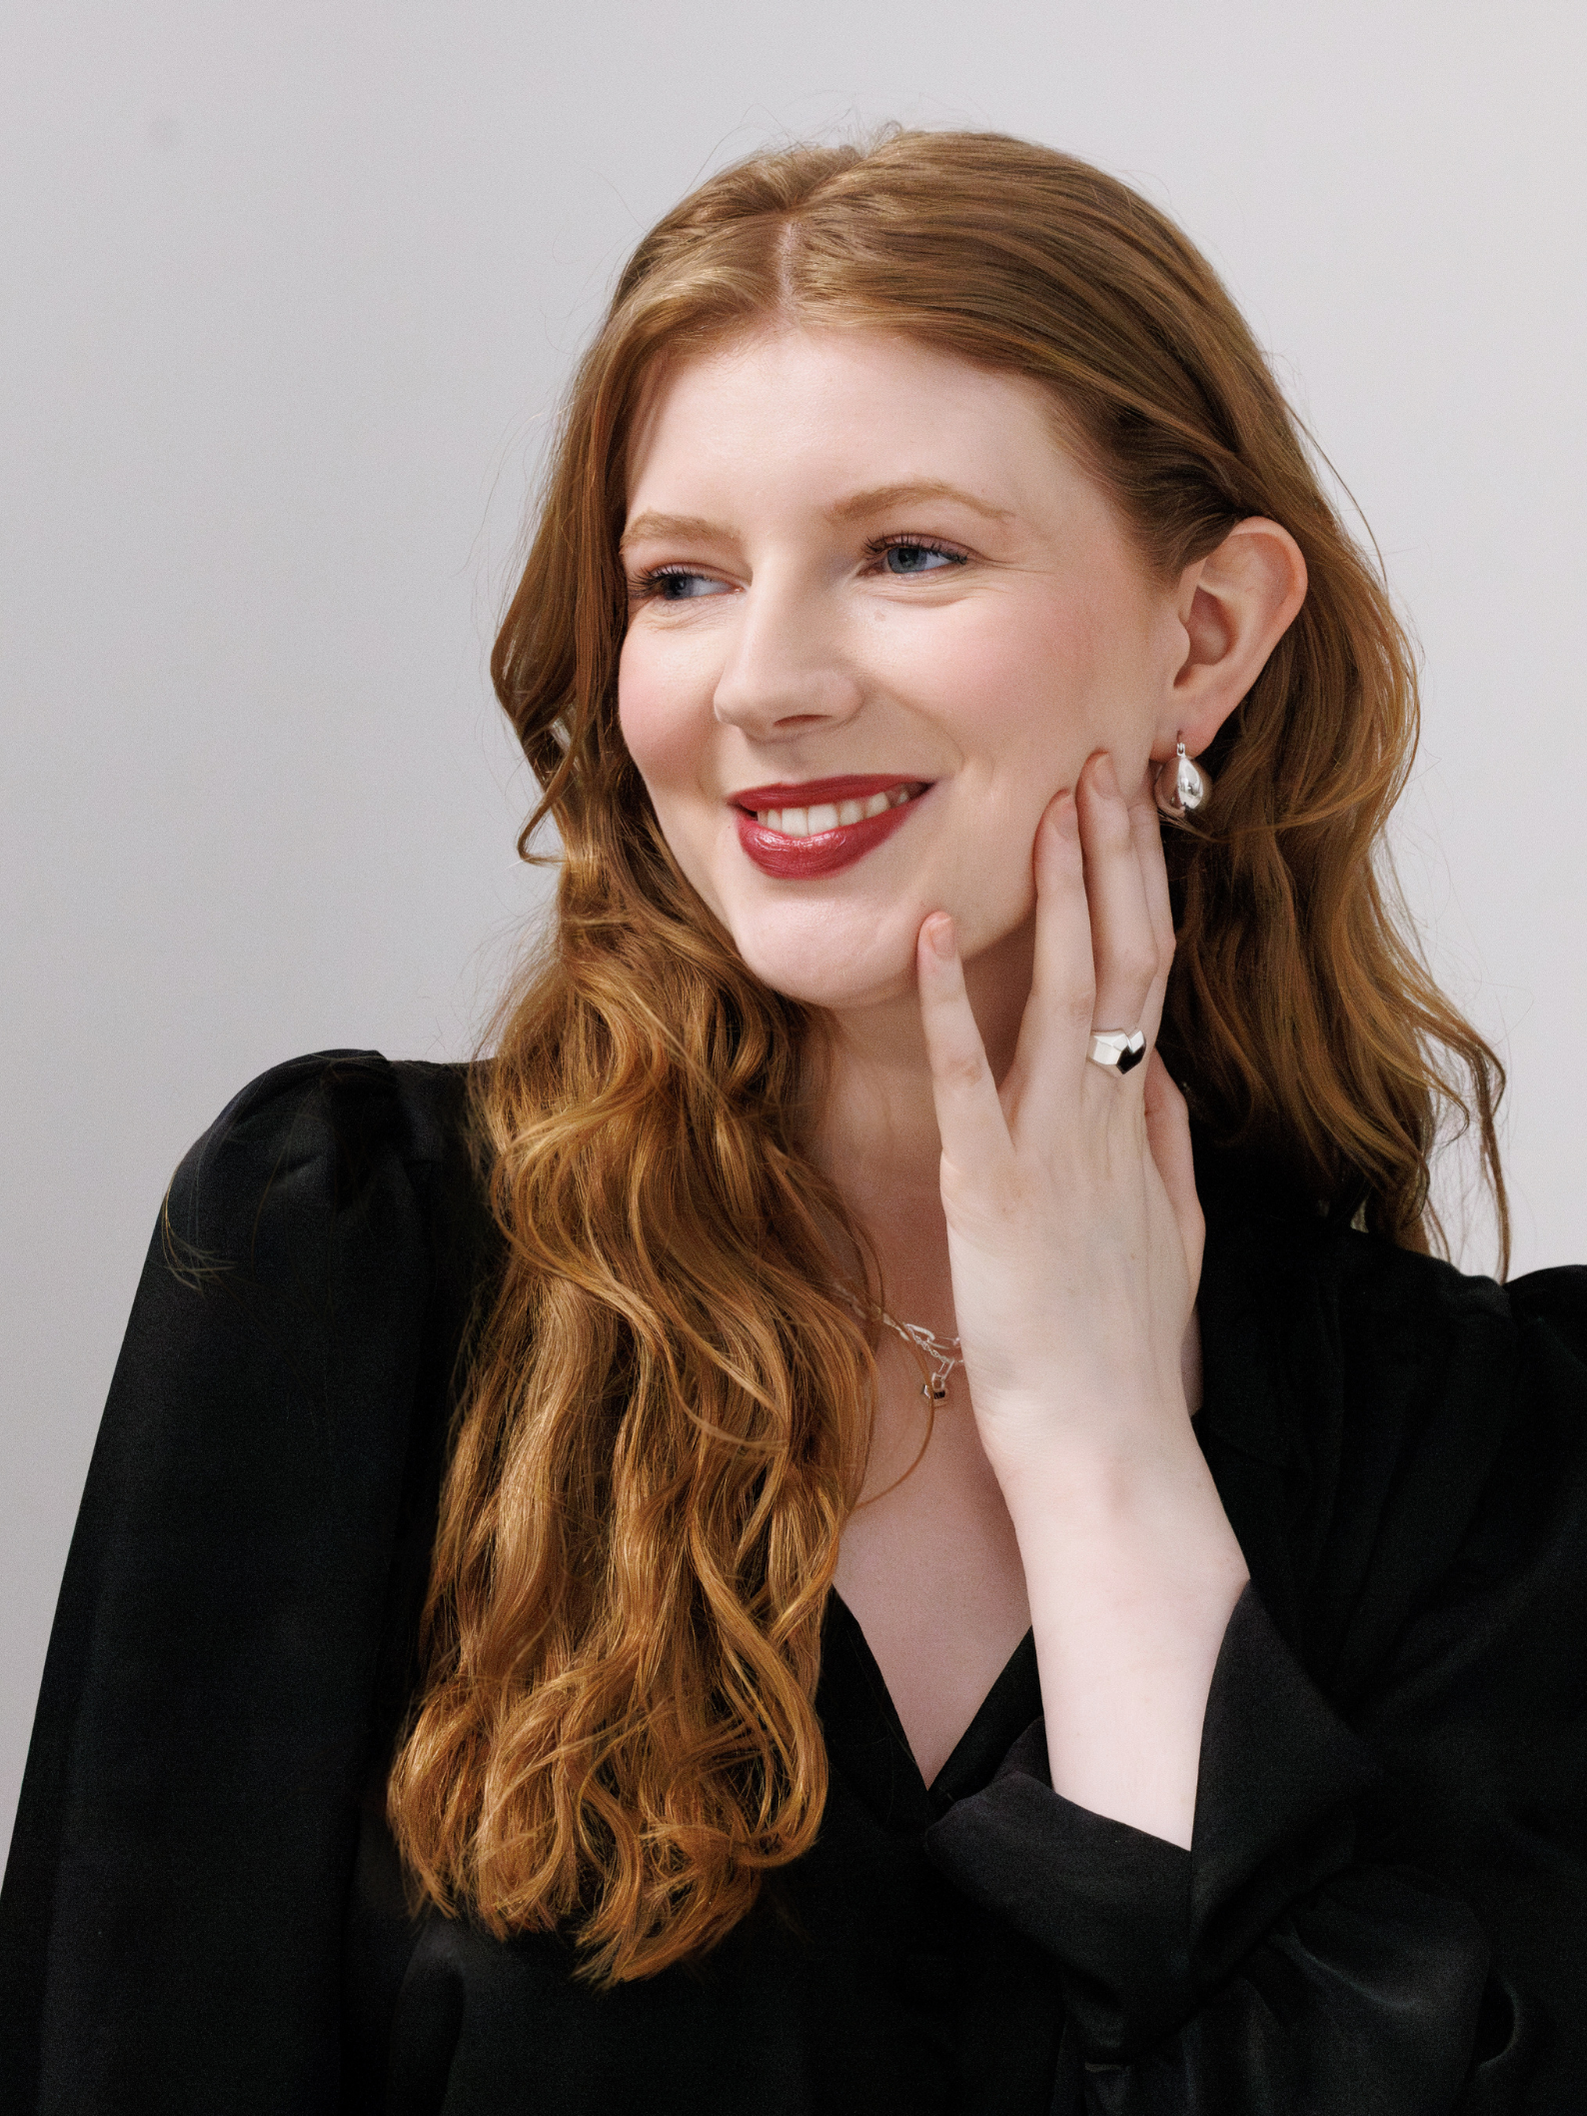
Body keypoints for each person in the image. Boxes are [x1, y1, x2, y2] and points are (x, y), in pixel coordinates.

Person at [2, 128, 1583, 2115]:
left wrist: (1102, 1451)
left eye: (907, 551)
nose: (761, 682)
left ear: (1207, 635)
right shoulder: (352, 1259)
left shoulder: (1466, 1454)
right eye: (679, 580)